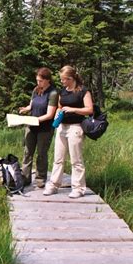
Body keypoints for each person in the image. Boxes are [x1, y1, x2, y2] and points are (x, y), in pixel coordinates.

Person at [43, 65, 93, 198]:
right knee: (58, 158)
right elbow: (60, 106)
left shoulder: (83, 91)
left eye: (64, 79)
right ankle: (53, 184)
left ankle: (78, 188)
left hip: (76, 127)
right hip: (62, 127)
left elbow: (89, 109)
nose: (62, 82)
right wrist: (57, 114)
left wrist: (73, 109)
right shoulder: (62, 91)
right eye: (61, 79)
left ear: (71, 78)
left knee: (76, 160)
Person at [19, 67, 58, 188]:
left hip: (45, 128)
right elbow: (31, 105)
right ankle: (25, 178)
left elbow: (50, 114)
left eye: (40, 81)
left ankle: (40, 179)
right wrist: (25, 109)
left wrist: (36, 120)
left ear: (47, 80)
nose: (38, 83)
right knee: (27, 152)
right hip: (31, 126)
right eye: (37, 80)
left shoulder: (53, 93)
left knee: (41, 154)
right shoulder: (36, 90)